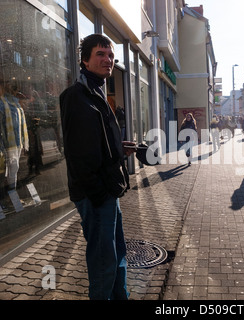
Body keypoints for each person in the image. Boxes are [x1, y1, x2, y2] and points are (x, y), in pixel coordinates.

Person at [60, 34, 136, 300]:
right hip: (97, 194)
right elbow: (76, 154)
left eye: (111, 56)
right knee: (103, 262)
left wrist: (119, 149)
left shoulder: (97, 92)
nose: (108, 60)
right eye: (101, 55)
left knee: (117, 253)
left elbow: (95, 143)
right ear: (85, 60)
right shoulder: (76, 96)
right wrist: (98, 194)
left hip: (108, 189)